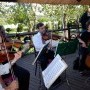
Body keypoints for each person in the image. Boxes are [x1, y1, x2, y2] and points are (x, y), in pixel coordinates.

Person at [0, 25, 30, 90]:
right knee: (22, 75)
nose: (4, 34)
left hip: (9, 64)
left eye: (3, 32)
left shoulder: (7, 40)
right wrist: (8, 88)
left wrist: (15, 58)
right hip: (7, 65)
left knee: (25, 73)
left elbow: (2, 69)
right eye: (2, 32)